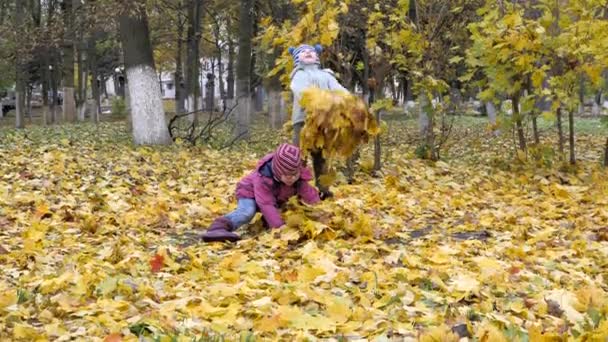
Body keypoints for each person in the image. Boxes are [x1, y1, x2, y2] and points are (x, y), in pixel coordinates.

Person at [202, 143, 320, 242]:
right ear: (278, 172)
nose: (292, 178)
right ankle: (218, 228)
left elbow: (310, 195)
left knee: (290, 210)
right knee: (247, 212)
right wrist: (280, 228)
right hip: (249, 192)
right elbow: (266, 204)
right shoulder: (263, 177)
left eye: (295, 174)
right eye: (287, 175)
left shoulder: (297, 178)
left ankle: (266, 222)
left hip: (274, 197)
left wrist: (321, 211)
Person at [289, 43, 348, 199]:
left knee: (321, 156)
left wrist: (347, 99)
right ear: (296, 58)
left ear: (317, 57)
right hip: (303, 121)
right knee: (299, 155)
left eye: (311, 52)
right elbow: (301, 92)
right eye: (303, 52)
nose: (308, 53)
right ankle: (295, 188)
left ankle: (324, 189)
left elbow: (338, 89)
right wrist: (320, 102)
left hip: (324, 122)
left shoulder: (326, 75)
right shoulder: (299, 74)